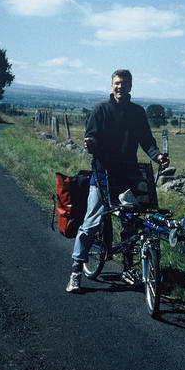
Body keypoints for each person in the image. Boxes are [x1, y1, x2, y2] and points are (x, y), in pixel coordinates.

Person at [66, 69, 169, 292]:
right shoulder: (101, 109)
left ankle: (128, 268)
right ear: (111, 85)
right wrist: (90, 143)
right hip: (103, 174)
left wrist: (158, 156)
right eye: (116, 83)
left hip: (127, 175)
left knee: (130, 222)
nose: (119, 87)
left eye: (123, 83)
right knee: (92, 222)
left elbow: (147, 141)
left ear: (131, 86)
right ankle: (76, 271)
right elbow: (91, 136)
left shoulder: (137, 112)